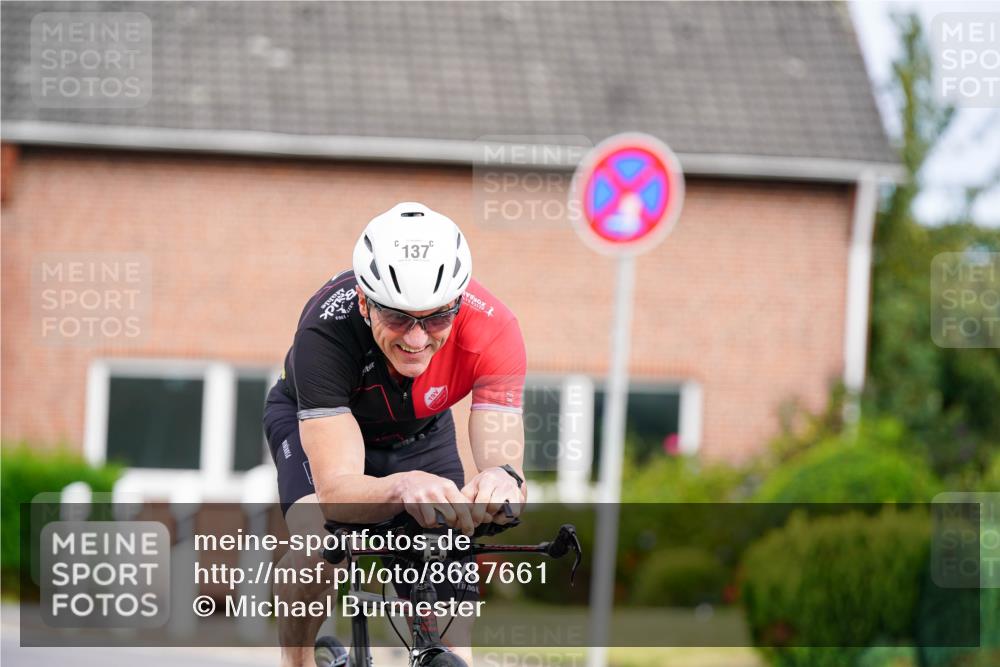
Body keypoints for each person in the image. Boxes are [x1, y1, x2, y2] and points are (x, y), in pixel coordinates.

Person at [263, 202, 528, 667]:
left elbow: (504, 465)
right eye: (399, 318)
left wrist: (503, 482)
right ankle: (298, 660)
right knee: (319, 544)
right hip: (323, 429)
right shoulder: (324, 332)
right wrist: (402, 487)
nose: (418, 338)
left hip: (420, 434)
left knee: (452, 602)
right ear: (366, 303)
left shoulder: (495, 330)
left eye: (437, 317)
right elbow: (337, 490)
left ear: (459, 303)